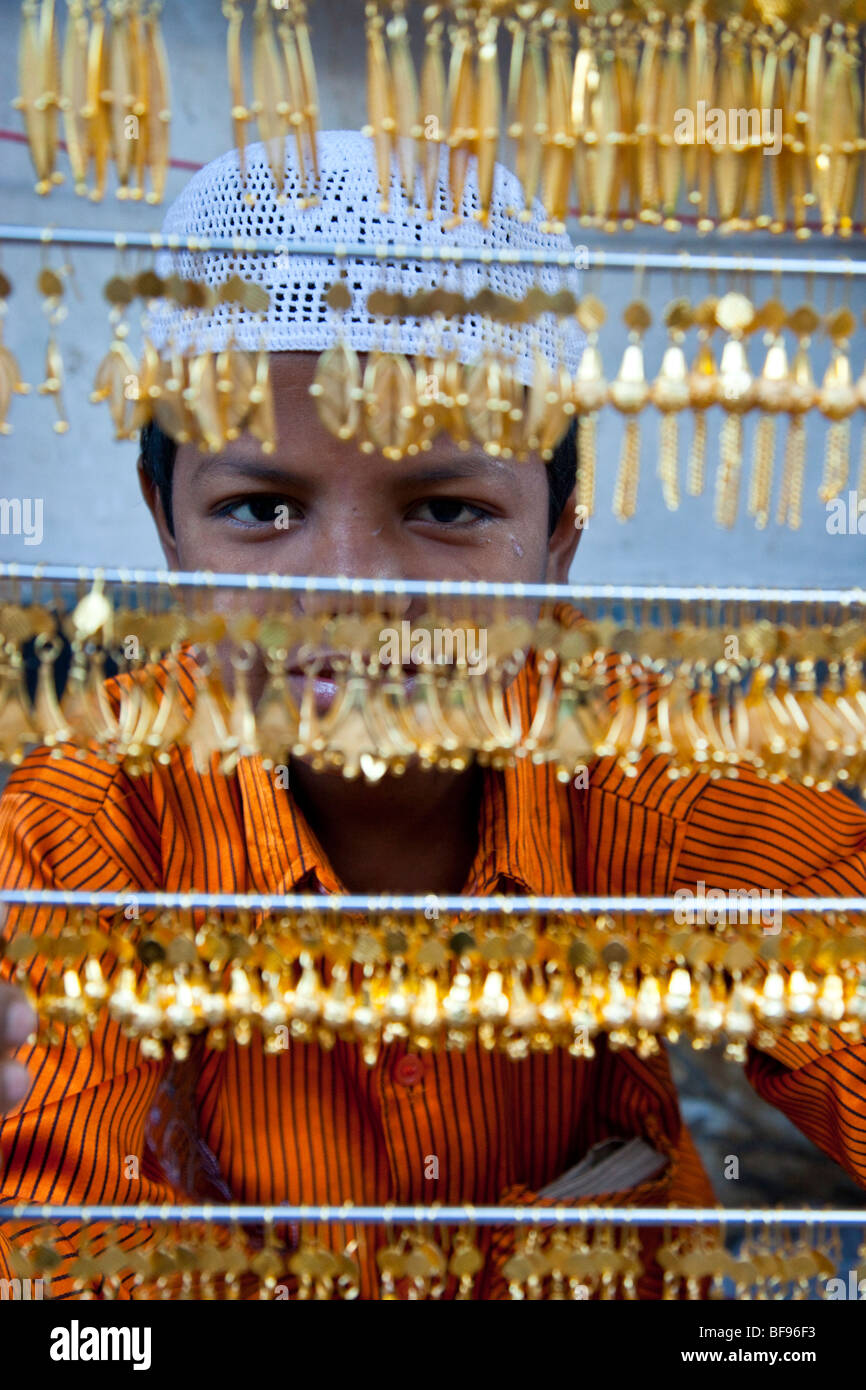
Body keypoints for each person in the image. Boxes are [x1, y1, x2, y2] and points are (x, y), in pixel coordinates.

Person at [1, 133, 865, 1301]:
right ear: (167, 527)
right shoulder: (76, 843)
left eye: (446, 508)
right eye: (260, 508)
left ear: (559, 533)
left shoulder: (655, 785)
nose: (353, 589)